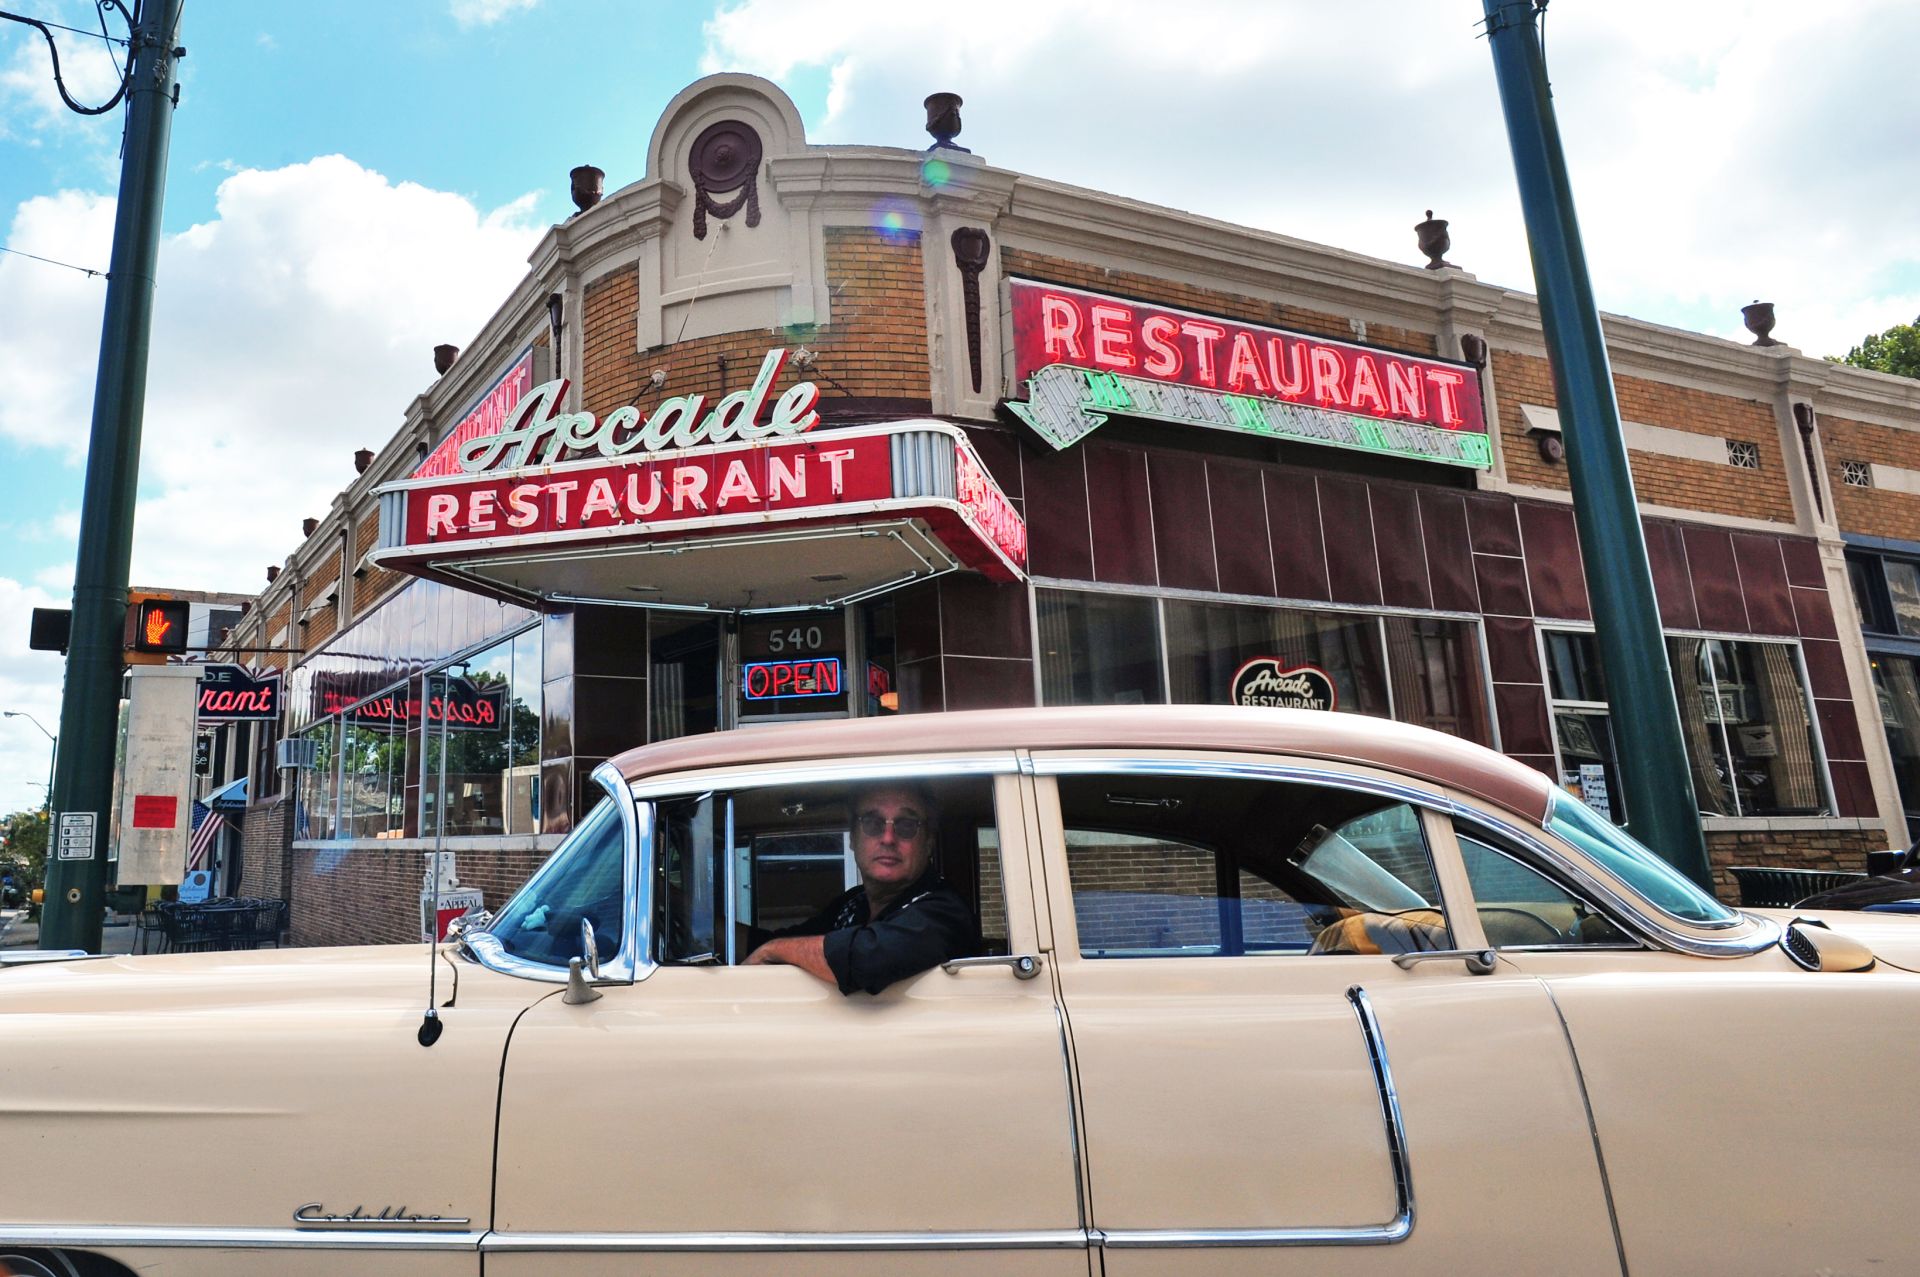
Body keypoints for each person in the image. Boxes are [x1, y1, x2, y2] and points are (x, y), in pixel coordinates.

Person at [743, 782, 977, 994]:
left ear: (927, 843)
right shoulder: (854, 903)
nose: (887, 838)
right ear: (853, 839)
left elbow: (868, 958)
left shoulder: (943, 910)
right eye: (872, 823)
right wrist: (713, 930)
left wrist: (771, 950)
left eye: (906, 825)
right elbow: (795, 941)